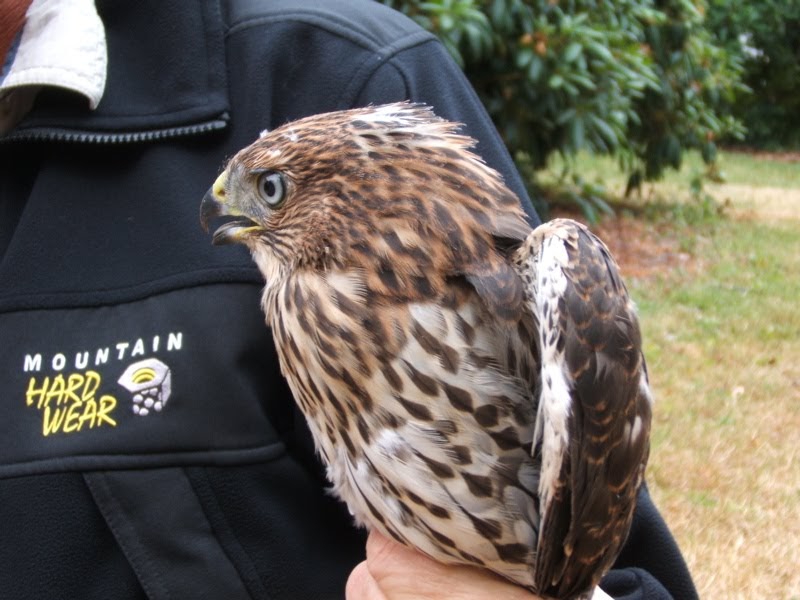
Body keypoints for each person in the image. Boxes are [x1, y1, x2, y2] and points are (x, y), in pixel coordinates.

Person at [0, 1, 698, 598]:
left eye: (271, 193)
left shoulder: (342, 67)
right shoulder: (297, 307)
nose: (221, 213)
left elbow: (612, 558)